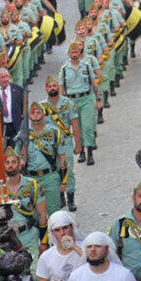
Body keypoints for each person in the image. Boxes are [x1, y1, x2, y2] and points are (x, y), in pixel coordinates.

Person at [17, 101, 66, 218]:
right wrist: (21, 161)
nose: (35, 116)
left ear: (43, 115)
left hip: (50, 177)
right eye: (33, 113)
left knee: (54, 213)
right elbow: (17, 157)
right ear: (29, 117)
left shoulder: (53, 132)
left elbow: (62, 158)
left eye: (38, 113)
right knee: (35, 215)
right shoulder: (23, 134)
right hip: (31, 178)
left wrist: (64, 181)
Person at [4, 147, 47, 274]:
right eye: (7, 162)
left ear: (19, 164)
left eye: (13, 162)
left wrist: (44, 242)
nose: (10, 166)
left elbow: (42, 214)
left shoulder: (32, 186)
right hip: (7, 238)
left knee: (33, 273)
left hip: (28, 234)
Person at [59, 41, 102, 166]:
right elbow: (62, 87)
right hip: (72, 100)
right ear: (69, 54)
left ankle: (90, 152)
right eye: (72, 52)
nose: (74, 54)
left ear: (80, 52)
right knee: (77, 127)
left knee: (87, 126)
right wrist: (62, 104)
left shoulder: (86, 66)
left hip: (86, 98)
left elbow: (94, 84)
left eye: (76, 51)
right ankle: (81, 149)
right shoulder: (64, 69)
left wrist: (98, 100)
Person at [43, 75, 82, 211]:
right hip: (50, 145)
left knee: (68, 170)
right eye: (50, 86)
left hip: (65, 142)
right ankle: (60, 197)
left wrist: (78, 144)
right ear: (46, 89)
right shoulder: (43, 107)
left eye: (55, 86)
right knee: (55, 171)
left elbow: (75, 125)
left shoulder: (68, 104)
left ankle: (70, 197)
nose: (53, 88)